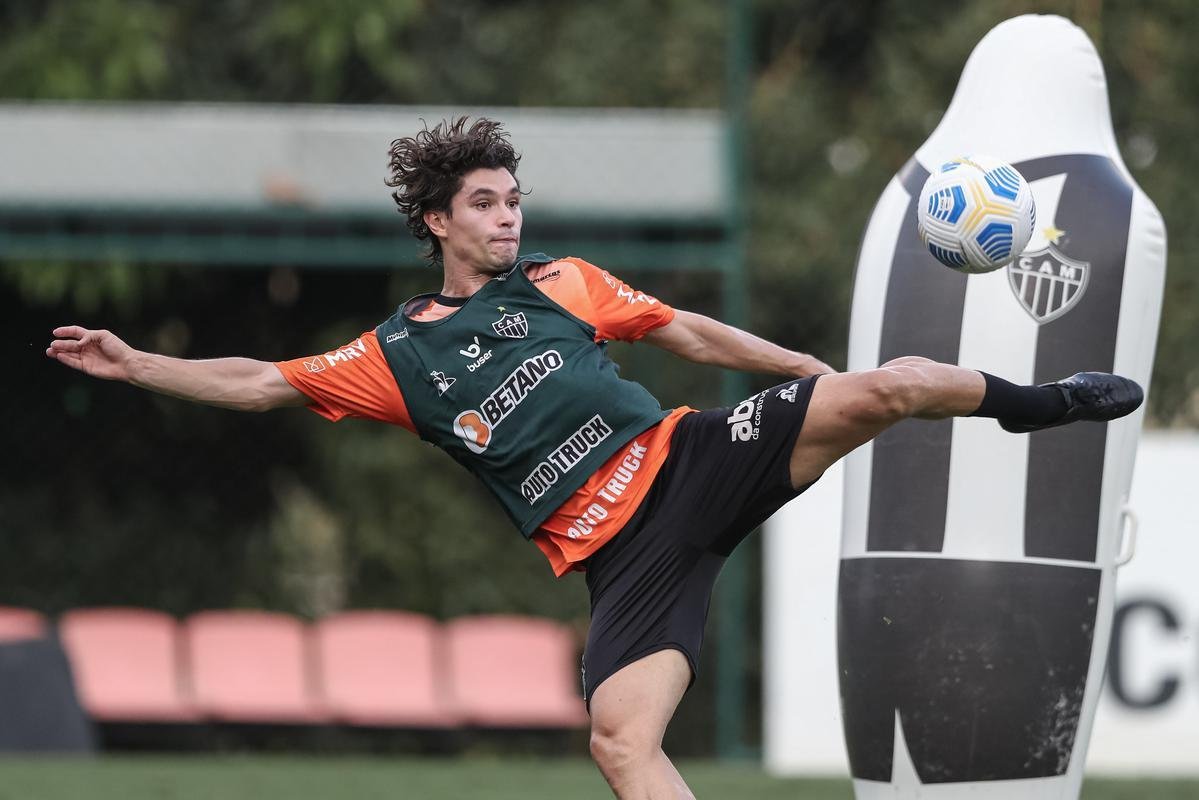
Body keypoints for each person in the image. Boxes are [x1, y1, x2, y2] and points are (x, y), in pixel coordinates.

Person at [46, 117, 1143, 799]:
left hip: (693, 463)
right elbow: (261, 380)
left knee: (893, 382)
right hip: (625, 561)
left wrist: (806, 372)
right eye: (485, 201)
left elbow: (691, 336)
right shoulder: (396, 354)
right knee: (619, 743)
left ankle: (1045, 400)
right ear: (437, 221)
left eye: (514, 196)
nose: (509, 213)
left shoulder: (564, 284)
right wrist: (139, 362)